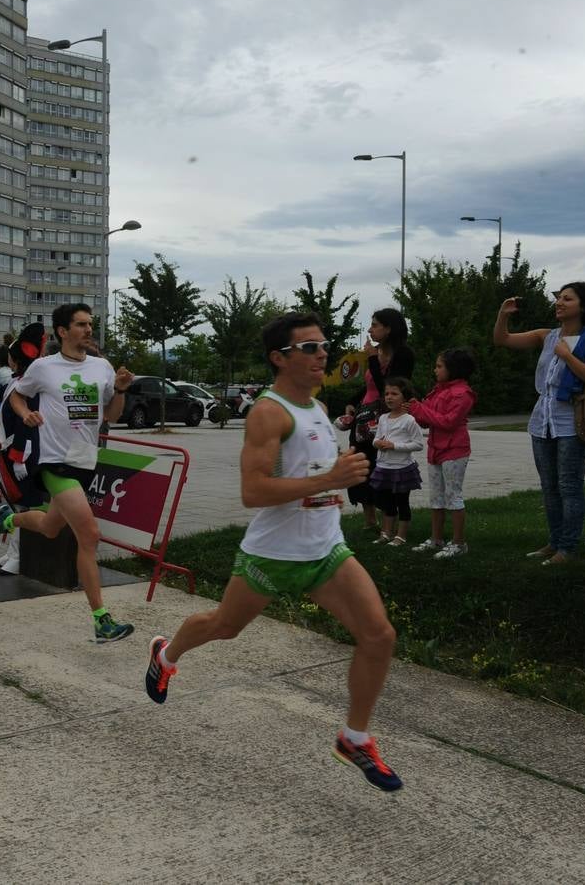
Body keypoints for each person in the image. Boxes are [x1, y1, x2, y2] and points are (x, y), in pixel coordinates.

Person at [144, 312, 402, 792]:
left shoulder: (318, 409)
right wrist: (330, 479)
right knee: (225, 626)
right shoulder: (269, 412)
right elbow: (253, 491)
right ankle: (166, 653)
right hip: (272, 554)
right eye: (309, 348)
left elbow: (317, 474)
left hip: (325, 550)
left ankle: (354, 737)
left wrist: (337, 476)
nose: (322, 353)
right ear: (279, 359)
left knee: (379, 635)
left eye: (323, 345)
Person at [0, 303, 136, 643]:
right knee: (90, 534)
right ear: (63, 332)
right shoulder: (44, 367)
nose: (88, 330)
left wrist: (122, 390)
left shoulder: (102, 367)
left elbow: (110, 415)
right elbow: (16, 397)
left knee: (51, 527)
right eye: (81, 324)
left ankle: (8, 520)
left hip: (85, 461)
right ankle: (101, 620)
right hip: (54, 462)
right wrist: (26, 415)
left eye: (90, 324)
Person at [493, 283, 585, 565]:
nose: (559, 302)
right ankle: (554, 542)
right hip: (542, 421)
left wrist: (567, 356)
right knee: (549, 486)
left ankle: (568, 548)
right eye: (558, 297)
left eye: (567, 299)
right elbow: (503, 340)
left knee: (569, 486)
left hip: (572, 422)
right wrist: (503, 314)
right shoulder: (547, 336)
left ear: (583, 306)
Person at [339, 309, 416, 534]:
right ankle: (369, 520)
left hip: (387, 420)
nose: (370, 329)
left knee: (382, 468)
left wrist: (372, 358)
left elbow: (389, 388)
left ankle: (389, 520)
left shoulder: (403, 354)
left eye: (374, 325)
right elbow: (370, 386)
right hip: (364, 419)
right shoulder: (377, 352)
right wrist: (352, 402)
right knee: (360, 466)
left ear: (389, 328)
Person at [0, 324, 49, 575]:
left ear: (15, 360)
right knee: (15, 504)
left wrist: (20, 457)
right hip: (10, 448)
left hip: (23, 451)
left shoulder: (29, 385)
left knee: (23, 507)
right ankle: (12, 552)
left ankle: (20, 557)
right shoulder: (17, 382)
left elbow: (27, 425)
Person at [406, 349, 477, 559]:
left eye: (439, 366)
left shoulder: (463, 394)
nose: (435, 370)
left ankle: (458, 543)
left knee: (453, 496)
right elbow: (426, 418)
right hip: (435, 449)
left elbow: (448, 422)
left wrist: (419, 410)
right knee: (436, 497)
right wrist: (413, 410)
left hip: (455, 450)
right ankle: (436, 538)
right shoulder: (438, 390)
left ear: (453, 369)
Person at [369, 378, 424, 546]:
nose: (389, 397)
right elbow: (376, 438)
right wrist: (377, 443)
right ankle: (386, 533)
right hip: (384, 467)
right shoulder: (384, 418)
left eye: (394, 393)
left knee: (402, 502)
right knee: (387, 503)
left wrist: (394, 446)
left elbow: (418, 444)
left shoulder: (409, 420)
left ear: (404, 397)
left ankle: (401, 536)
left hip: (402, 469)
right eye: (386, 394)